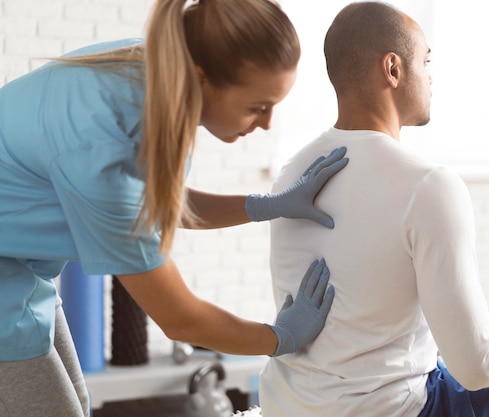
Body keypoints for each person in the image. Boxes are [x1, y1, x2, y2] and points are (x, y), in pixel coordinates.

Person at [260, 2, 489, 416]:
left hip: (288, 406)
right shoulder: (427, 184)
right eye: (426, 61)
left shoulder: (293, 174)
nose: (431, 76)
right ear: (392, 69)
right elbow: (479, 364)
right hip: (389, 411)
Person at [0, 0, 345, 416]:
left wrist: (268, 206)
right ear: (204, 78)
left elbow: (154, 201)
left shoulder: (152, 73)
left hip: (21, 268)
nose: (268, 123)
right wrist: (280, 338)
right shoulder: (104, 146)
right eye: (258, 106)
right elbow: (180, 320)